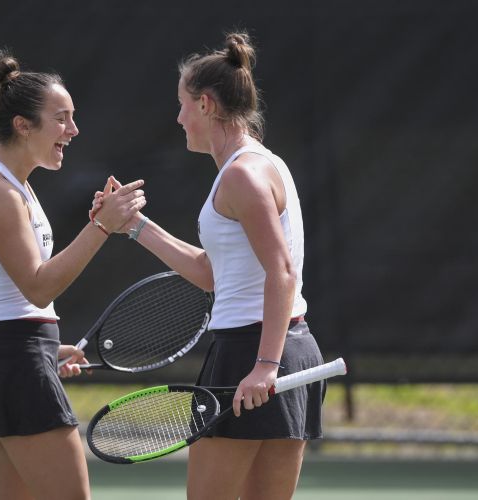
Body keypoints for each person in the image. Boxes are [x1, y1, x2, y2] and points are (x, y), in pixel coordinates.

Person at [94, 33, 325, 500]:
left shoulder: (243, 174)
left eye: (181, 105)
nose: (178, 118)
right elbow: (211, 273)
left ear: (204, 104)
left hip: (254, 352)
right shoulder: (257, 166)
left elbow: (282, 270)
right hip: (281, 347)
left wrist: (264, 365)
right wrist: (134, 226)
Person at [0, 49, 146, 500]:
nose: (73, 130)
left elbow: (22, 299)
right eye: (61, 118)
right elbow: (38, 283)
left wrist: (46, 345)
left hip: (12, 357)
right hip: (11, 362)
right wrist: (102, 225)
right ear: (22, 125)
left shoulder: (17, 187)